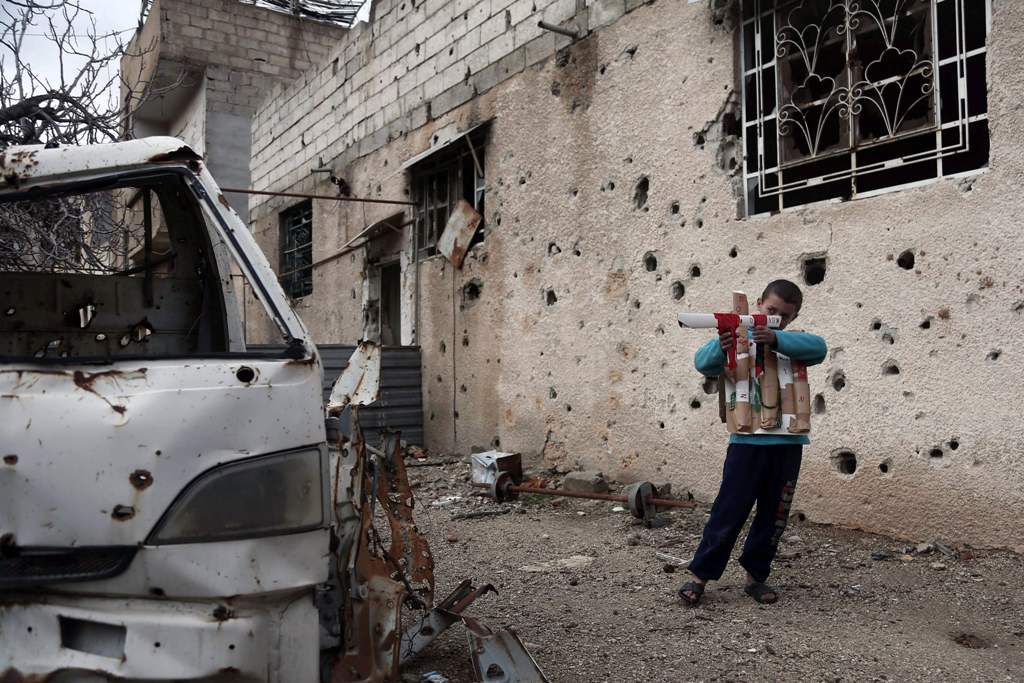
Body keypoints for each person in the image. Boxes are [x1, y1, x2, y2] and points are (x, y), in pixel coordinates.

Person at [678, 279, 826, 606]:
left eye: (784, 315)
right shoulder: (736, 338)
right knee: (728, 512)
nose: (777, 317)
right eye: (771, 310)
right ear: (759, 303)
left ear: (794, 317)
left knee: (774, 515)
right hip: (746, 443)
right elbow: (703, 363)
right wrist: (724, 343)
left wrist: (776, 337)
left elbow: (820, 348)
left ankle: (755, 578)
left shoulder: (795, 341)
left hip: (789, 445)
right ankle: (700, 577)